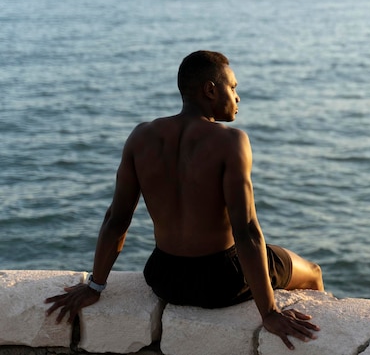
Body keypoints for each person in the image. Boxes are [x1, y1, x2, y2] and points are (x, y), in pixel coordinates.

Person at [45, 50, 324, 350]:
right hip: (222, 281)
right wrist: (269, 312)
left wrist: (95, 286)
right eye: (233, 88)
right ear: (210, 89)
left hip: (164, 277)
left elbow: (116, 219)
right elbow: (246, 232)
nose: (238, 97)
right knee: (313, 273)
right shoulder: (231, 142)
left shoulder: (140, 136)